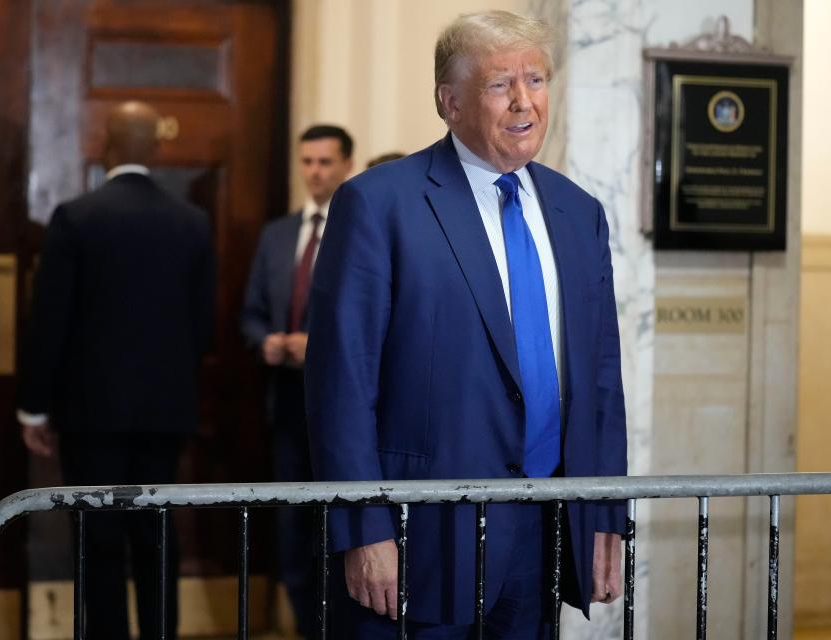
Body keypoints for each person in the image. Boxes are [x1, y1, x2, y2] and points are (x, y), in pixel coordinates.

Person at [305, 11, 627, 639]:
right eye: (499, 84)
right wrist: (364, 527)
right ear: (448, 102)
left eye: (536, 79)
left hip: (543, 533)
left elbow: (602, 382)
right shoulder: (378, 204)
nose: (524, 100)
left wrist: (604, 513)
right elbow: (342, 382)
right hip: (416, 539)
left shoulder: (577, 212)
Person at [17, 101, 215, 640]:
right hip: (165, 411)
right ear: (156, 149)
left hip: (90, 413)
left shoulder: (76, 217)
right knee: (157, 534)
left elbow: (48, 321)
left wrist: (34, 406)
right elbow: (202, 327)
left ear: (105, 147)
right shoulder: (192, 223)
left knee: (98, 537)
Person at [240, 124, 354, 638]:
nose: (314, 172)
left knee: (335, 531)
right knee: (290, 530)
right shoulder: (278, 233)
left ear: (346, 165)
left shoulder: (359, 227)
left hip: (340, 406)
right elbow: (252, 311)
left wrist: (318, 345)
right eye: (307, 161)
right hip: (284, 404)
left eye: (325, 162)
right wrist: (263, 341)